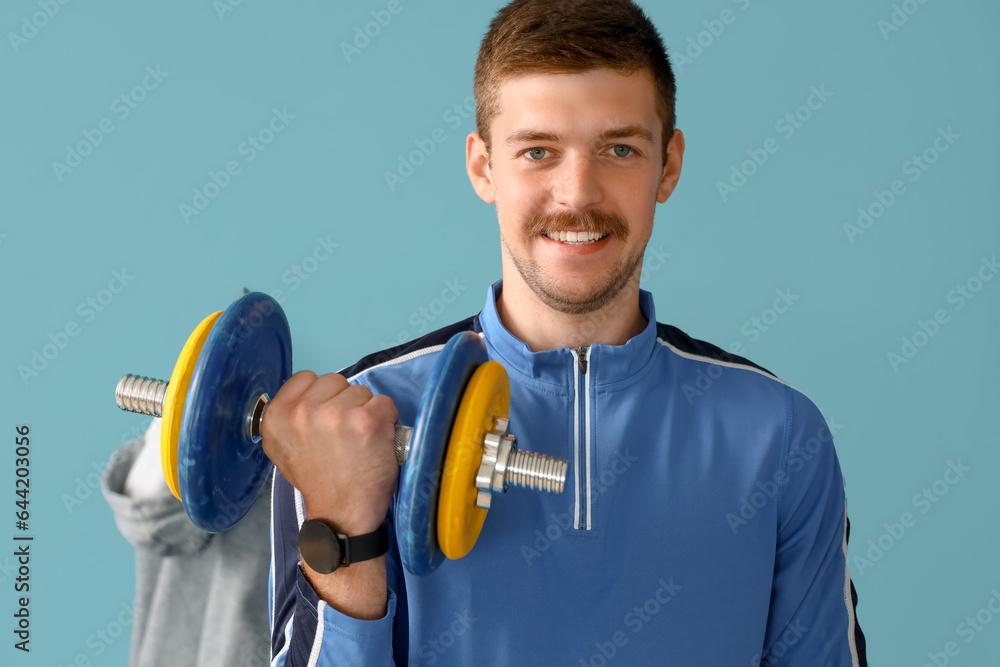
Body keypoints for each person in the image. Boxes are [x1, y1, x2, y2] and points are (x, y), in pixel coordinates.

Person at [263, 0, 868, 664]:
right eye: (538, 151)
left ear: (668, 165)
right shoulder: (356, 420)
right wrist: (343, 529)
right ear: (483, 167)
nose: (577, 194)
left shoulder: (779, 435)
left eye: (619, 148)